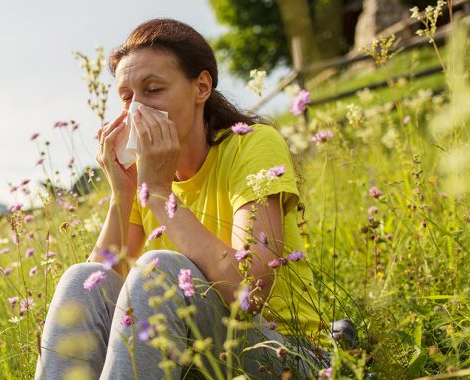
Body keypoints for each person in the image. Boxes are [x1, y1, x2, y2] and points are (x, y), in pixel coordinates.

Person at [35, 18, 330, 379]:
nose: (135, 110)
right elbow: (98, 295)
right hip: (200, 354)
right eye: (126, 97)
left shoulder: (253, 145)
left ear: (201, 87)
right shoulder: (147, 173)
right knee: (81, 278)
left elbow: (249, 292)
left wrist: (158, 195)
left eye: (154, 90)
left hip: (285, 352)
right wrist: (123, 195)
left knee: (160, 270)